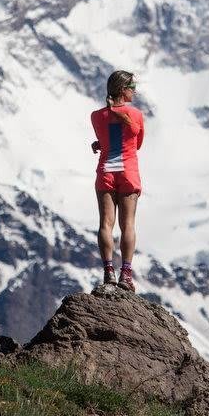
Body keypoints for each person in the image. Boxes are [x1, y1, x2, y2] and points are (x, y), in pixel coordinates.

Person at [90, 70, 144, 290]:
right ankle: (126, 275)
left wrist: (100, 144)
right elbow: (136, 144)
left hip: (106, 172)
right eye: (132, 87)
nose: (134, 91)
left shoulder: (96, 116)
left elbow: (108, 138)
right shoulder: (136, 115)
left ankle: (108, 272)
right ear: (123, 90)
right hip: (128, 173)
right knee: (127, 224)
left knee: (106, 223)